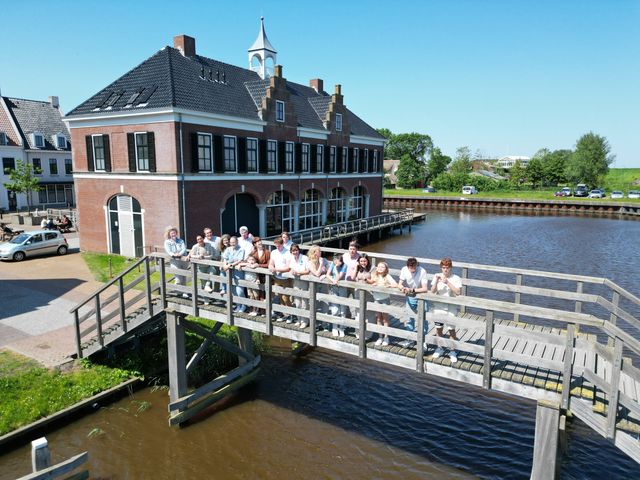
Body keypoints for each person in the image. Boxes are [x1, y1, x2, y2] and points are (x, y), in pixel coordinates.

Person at [430, 257, 463, 363]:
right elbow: (433, 291)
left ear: (451, 268)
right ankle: (440, 348)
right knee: (438, 328)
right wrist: (435, 281)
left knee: (451, 330)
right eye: (443, 267)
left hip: (451, 308)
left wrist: (447, 282)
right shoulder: (437, 275)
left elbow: (458, 292)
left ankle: (452, 350)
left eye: (447, 267)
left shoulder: (456, 278)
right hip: (438, 307)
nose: (445, 270)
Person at [397, 257, 430, 348]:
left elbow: (425, 289)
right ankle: (409, 339)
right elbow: (399, 284)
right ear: (407, 266)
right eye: (410, 268)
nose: (412, 270)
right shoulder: (404, 269)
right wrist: (402, 288)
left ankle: (423, 341)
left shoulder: (422, 271)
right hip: (410, 296)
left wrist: (412, 289)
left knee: (423, 319)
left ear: (417, 265)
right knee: (409, 318)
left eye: (414, 267)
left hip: (421, 297)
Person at [367, 261, 397, 346]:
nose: (380, 268)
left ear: (386, 269)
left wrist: (389, 286)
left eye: (382, 267)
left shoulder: (387, 276)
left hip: (385, 299)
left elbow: (395, 284)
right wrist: (370, 283)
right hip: (376, 299)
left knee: (385, 319)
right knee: (378, 319)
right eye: (379, 266)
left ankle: (386, 337)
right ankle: (380, 337)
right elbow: (371, 282)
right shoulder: (374, 275)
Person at [268, 236, 292, 321]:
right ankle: (284, 314)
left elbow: (288, 267)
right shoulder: (274, 252)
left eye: (279, 246)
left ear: (282, 244)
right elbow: (271, 263)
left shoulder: (288, 253)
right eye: (276, 246)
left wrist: (277, 269)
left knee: (286, 297)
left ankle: (290, 314)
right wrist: (271, 267)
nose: (277, 247)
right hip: (276, 277)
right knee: (279, 296)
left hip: (285, 278)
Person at [350, 253, 372, 339]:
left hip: (368, 292)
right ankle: (358, 333)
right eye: (361, 261)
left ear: (367, 261)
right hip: (358, 292)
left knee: (368, 313)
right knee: (358, 312)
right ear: (359, 261)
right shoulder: (357, 268)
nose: (363, 263)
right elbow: (352, 277)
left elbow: (374, 280)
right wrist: (356, 267)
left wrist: (366, 279)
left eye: (365, 261)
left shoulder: (371, 268)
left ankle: (367, 334)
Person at [222, 236, 247, 313]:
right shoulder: (228, 249)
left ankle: (244, 305)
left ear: (237, 242)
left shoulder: (241, 249)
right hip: (230, 272)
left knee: (240, 290)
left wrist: (230, 265)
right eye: (231, 242)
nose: (232, 244)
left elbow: (239, 260)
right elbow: (225, 258)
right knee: (233, 291)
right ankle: (238, 305)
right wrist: (225, 264)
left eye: (234, 242)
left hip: (238, 271)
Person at [288, 243, 310, 328]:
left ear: (299, 250)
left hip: (304, 281)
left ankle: (305, 321)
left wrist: (298, 273)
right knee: (297, 302)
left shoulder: (304, 258)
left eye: (296, 250)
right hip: (296, 281)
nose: (295, 252)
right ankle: (299, 319)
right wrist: (293, 270)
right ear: (291, 252)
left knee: (304, 302)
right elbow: (291, 268)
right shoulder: (292, 259)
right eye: (293, 251)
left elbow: (307, 271)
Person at [327, 252, 348, 337]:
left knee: (343, 309)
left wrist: (336, 268)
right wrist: (333, 280)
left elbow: (340, 276)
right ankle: (334, 327)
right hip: (334, 287)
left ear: (341, 260)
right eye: (334, 260)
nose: (335, 262)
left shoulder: (344, 265)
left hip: (342, 287)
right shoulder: (332, 264)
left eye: (337, 260)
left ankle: (341, 328)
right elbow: (327, 274)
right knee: (335, 308)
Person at [188, 234, 212, 304]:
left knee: (213, 272)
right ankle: (206, 299)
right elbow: (191, 255)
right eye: (198, 239)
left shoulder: (208, 245)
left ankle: (208, 287)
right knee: (203, 283)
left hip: (208, 265)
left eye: (200, 238)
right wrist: (198, 256)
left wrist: (204, 257)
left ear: (203, 238)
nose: (199, 240)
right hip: (200, 267)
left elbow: (211, 255)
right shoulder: (195, 246)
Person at [307, 245, 329, 321]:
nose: (320, 252)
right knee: (314, 302)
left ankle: (324, 322)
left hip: (323, 284)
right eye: (319, 251)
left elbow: (329, 272)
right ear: (314, 253)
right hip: (313, 285)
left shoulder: (325, 260)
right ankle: (314, 320)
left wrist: (325, 274)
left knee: (325, 301)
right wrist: (321, 264)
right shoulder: (310, 262)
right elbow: (317, 274)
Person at [164, 226, 188, 294]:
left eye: (174, 233)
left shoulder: (180, 240)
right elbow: (168, 251)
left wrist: (179, 254)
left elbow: (184, 249)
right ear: (169, 234)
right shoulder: (167, 242)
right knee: (178, 278)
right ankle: (175, 290)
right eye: (172, 233)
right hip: (174, 261)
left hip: (183, 260)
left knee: (183, 276)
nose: (173, 234)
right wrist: (173, 255)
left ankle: (184, 292)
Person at [203, 228, 221, 294]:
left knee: (217, 277)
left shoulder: (218, 239)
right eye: (207, 233)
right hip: (208, 261)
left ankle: (216, 292)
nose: (209, 234)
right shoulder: (204, 241)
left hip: (217, 260)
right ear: (205, 234)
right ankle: (209, 293)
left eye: (210, 232)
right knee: (209, 277)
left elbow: (223, 246)